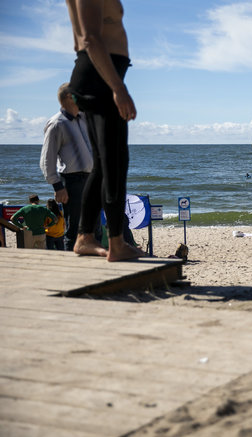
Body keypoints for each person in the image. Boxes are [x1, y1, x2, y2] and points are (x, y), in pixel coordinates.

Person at [66, 0, 143, 261]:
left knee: (102, 165)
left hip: (100, 78)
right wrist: (118, 89)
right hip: (100, 80)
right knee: (115, 162)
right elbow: (90, 38)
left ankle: (85, 237)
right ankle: (117, 243)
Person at [39, 82, 95, 251]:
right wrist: (58, 186)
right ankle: (73, 269)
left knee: (94, 228)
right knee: (74, 231)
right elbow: (46, 160)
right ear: (70, 98)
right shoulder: (57, 123)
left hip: (92, 179)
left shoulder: (84, 119)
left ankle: (92, 269)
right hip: (73, 181)